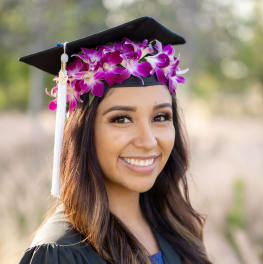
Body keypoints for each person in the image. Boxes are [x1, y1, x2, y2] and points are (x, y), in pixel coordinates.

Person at [19, 17, 212, 264]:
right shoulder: (60, 252)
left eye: (161, 117)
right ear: (83, 133)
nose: (148, 141)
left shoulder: (177, 228)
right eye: (122, 119)